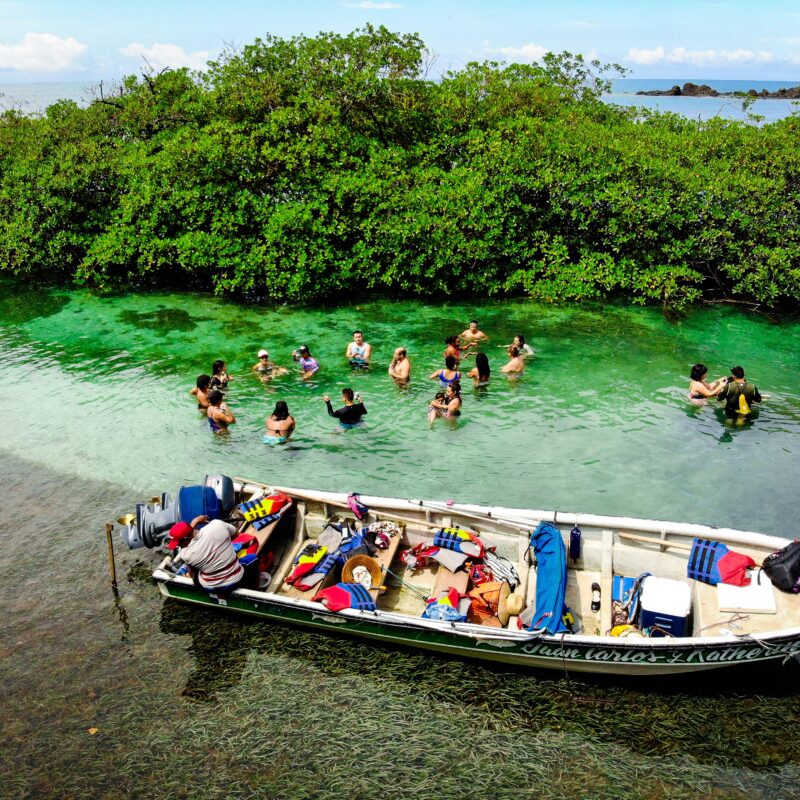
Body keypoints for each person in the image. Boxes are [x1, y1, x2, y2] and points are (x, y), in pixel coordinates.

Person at [168, 516, 251, 592]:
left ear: (186, 540)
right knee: (252, 557)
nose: (178, 546)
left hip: (210, 587)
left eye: (178, 544)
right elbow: (236, 535)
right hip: (237, 580)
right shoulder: (217, 524)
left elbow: (192, 573)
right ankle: (254, 587)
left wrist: (195, 522)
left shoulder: (184, 554)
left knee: (192, 571)